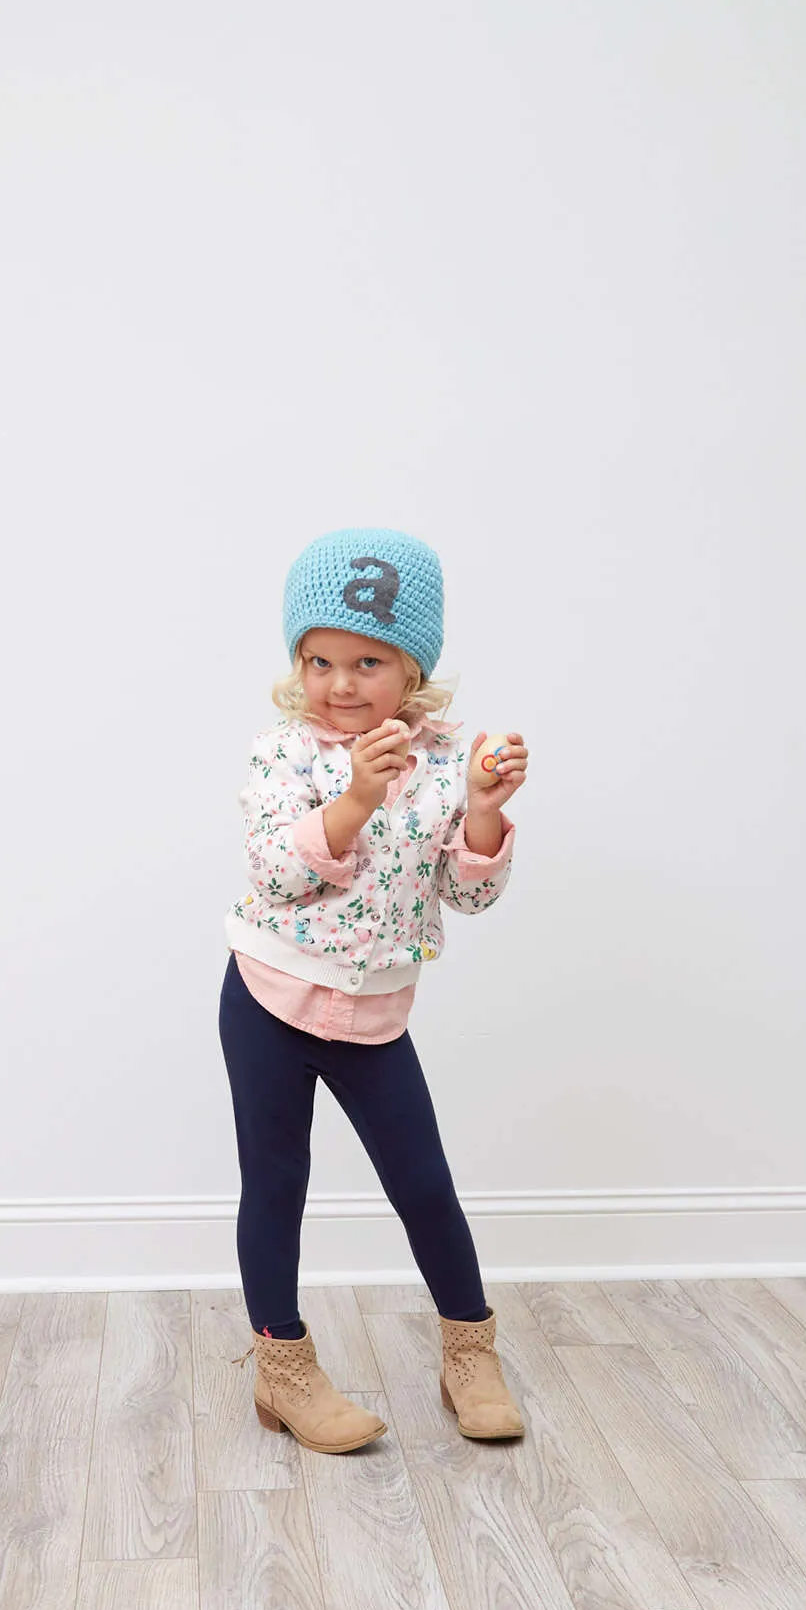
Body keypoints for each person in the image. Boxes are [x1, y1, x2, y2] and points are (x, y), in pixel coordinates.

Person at [219, 526, 530, 1453]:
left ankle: (469, 1352)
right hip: (271, 997)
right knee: (276, 1183)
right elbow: (281, 874)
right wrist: (353, 796)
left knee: (423, 1184)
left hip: (376, 1016)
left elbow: (467, 897)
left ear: (414, 669)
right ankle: (283, 1370)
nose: (340, 684)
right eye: (318, 660)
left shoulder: (444, 764)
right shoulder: (284, 755)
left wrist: (481, 813)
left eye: (367, 661)